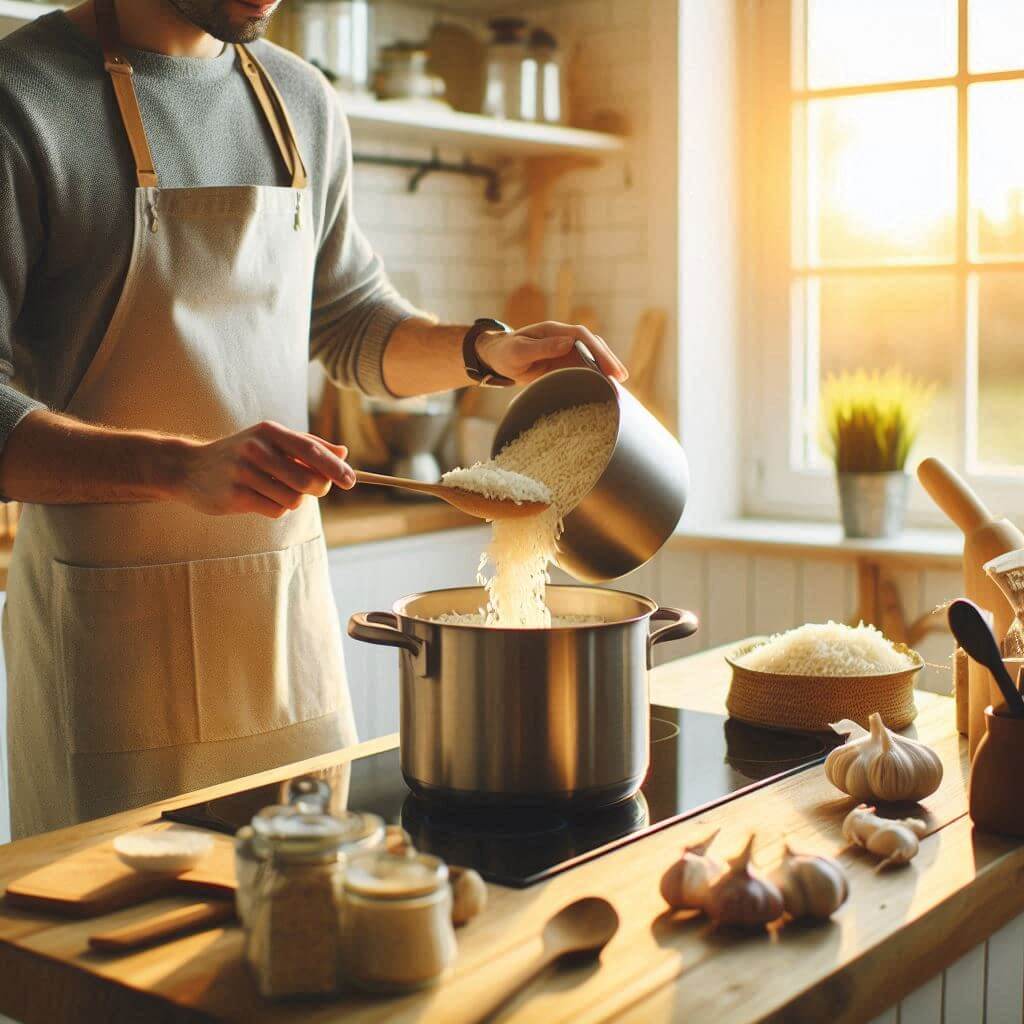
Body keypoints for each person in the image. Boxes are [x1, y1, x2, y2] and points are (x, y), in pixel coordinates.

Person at [0, 0, 628, 837]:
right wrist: (180, 468)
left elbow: (352, 322)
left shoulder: (299, 99)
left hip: (279, 621)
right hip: (111, 651)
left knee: (307, 922)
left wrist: (489, 353)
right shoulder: (24, 97)